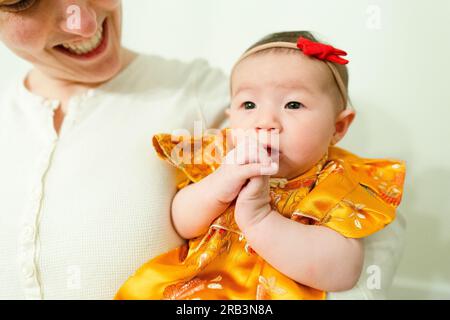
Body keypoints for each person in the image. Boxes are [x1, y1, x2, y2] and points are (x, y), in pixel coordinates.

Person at [114, 31, 406, 300]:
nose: (265, 122)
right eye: (249, 105)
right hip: (190, 291)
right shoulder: (224, 158)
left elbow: (342, 272)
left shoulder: (337, 182)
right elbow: (181, 222)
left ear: (338, 127)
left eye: (293, 105)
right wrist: (219, 186)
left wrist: (259, 219)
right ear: (231, 117)